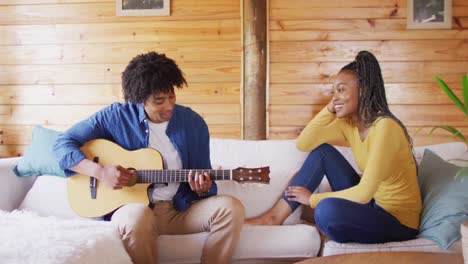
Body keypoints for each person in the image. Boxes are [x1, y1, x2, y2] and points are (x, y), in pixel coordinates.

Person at [52, 51, 245, 264]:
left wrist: (203, 188)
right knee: (136, 217)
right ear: (140, 99)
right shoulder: (114, 116)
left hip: (178, 208)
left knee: (231, 208)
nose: (169, 106)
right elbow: (61, 144)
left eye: (171, 96)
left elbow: (205, 180)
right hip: (133, 210)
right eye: (159, 100)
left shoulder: (193, 123)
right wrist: (100, 171)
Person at [245, 51, 422, 244]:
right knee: (322, 153)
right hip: (373, 205)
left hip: (397, 222)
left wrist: (311, 199)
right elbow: (303, 143)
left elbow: (363, 193)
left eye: (341, 90)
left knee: (326, 210)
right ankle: (274, 218)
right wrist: (329, 109)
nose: (335, 98)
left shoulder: (386, 127)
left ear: (362, 90)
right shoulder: (349, 125)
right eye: (333, 92)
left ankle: (333, 223)